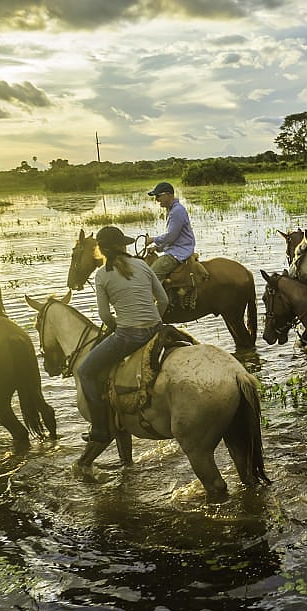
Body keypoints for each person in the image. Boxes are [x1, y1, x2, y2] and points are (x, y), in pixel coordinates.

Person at [77, 225, 169, 458]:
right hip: (157, 329)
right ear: (123, 245)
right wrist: (154, 321)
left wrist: (120, 327)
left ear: (101, 250)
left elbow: (105, 316)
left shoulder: (102, 275)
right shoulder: (141, 264)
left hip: (129, 335)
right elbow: (164, 300)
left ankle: (99, 428)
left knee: (85, 370)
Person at [145, 182, 195, 281]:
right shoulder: (172, 210)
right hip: (177, 250)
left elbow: (171, 236)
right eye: (156, 196)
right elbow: (173, 238)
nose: (156, 199)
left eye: (159, 196)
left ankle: (160, 297)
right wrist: (157, 248)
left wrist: (153, 240)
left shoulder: (177, 211)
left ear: (169, 195)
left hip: (178, 252)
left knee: (151, 276)